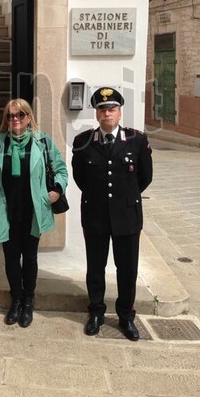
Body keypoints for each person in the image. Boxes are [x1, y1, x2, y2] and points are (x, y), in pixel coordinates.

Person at [71, 87, 153, 341]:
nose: (107, 113)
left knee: (127, 269)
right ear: (96, 113)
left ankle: (126, 316)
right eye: (102, 109)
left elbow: (145, 178)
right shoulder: (83, 141)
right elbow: (80, 178)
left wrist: (122, 199)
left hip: (127, 216)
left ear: (119, 112)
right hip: (95, 215)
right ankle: (96, 312)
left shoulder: (137, 140)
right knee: (95, 267)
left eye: (112, 108)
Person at [0, 99, 68, 327]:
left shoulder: (42, 141)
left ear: (29, 117)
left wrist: (56, 191)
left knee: (30, 257)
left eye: (20, 115)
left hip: (32, 212)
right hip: (7, 211)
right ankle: (16, 300)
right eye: (10, 116)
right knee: (11, 258)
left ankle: (29, 301)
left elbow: (60, 169)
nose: (15, 120)